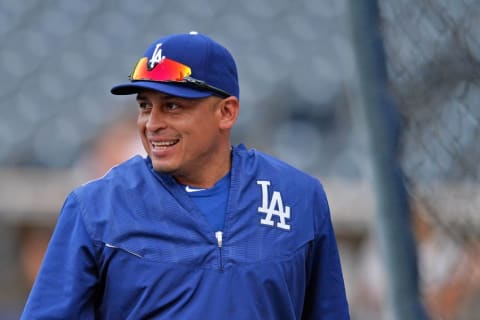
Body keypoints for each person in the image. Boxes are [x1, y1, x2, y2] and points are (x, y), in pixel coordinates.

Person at [21, 31, 350, 319]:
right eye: (145, 106)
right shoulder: (95, 207)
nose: (152, 124)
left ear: (226, 112)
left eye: (173, 106)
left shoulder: (298, 197)